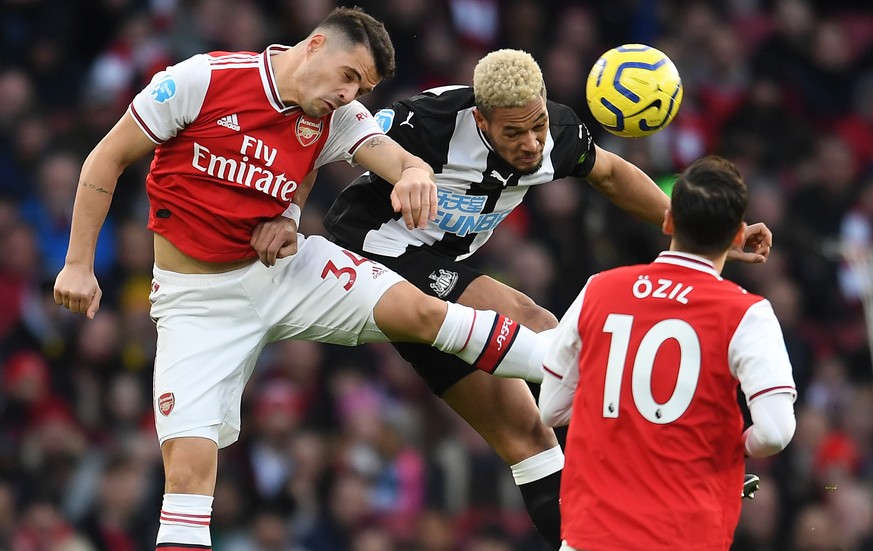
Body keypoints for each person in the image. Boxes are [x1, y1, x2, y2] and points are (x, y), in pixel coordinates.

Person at [52, 9, 551, 551]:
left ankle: (570, 370)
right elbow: (105, 160)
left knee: (421, 312)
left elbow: (400, 160)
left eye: (361, 86)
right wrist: (79, 264)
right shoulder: (199, 80)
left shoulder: (336, 115)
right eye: (348, 75)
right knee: (189, 478)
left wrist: (411, 175)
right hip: (194, 304)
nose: (349, 92)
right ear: (315, 45)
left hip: (282, 273)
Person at [250, 49, 772, 548]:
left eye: (538, 125)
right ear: (480, 119)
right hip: (371, 253)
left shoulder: (558, 134)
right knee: (537, 324)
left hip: (439, 272)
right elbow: (322, 134)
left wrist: (708, 230)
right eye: (513, 132)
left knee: (527, 437)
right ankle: (673, 457)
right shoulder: (425, 121)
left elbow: (612, 175)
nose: (530, 143)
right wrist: (287, 214)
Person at [538, 155, 797, 551]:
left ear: (667, 221)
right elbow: (776, 432)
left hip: (590, 535)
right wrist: (732, 446)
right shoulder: (747, 314)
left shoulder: (598, 290)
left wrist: (621, 415)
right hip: (685, 536)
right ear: (738, 235)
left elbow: (551, 410)